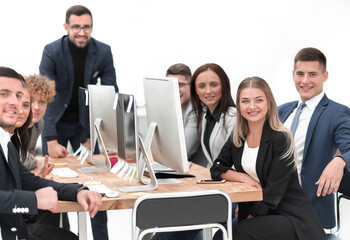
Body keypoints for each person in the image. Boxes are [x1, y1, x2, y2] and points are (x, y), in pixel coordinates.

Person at [211, 76, 326, 239]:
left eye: (258, 100)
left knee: (241, 231)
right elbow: (216, 168)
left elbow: (273, 192)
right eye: (245, 101)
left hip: (290, 216)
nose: (252, 107)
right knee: (221, 235)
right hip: (259, 211)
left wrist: (251, 217)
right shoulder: (238, 136)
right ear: (239, 105)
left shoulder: (280, 139)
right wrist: (241, 177)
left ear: (269, 103)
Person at [39, 5, 117, 238]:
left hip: (86, 126)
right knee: (52, 183)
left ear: (91, 27)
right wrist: (50, 137)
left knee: (96, 184)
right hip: (57, 123)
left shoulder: (103, 51)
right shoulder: (52, 51)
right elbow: (44, 95)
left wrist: (96, 135)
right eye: (76, 27)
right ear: (66, 27)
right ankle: (61, 235)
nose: (82, 32)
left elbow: (110, 93)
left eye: (86, 27)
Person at [0, 66, 102, 240]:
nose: (15, 103)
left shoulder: (7, 144)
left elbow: (31, 181)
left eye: (18, 96)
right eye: (4, 94)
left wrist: (78, 191)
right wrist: (33, 200)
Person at [278, 47, 350, 229]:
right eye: (300, 74)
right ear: (293, 74)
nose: (305, 81)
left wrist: (340, 161)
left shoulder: (337, 113)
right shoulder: (282, 111)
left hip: (309, 210)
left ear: (325, 76)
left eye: (312, 74)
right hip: (275, 204)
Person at [190, 63, 236, 167]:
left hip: (232, 180)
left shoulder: (233, 116)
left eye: (214, 85)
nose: (208, 91)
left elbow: (233, 161)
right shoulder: (206, 117)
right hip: (218, 178)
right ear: (195, 90)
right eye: (201, 86)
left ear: (224, 86)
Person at [166, 63, 199, 159]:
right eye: (171, 85)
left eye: (180, 85)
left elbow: (183, 151)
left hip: (199, 169)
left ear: (191, 86)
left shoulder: (196, 109)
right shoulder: (171, 107)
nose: (175, 90)